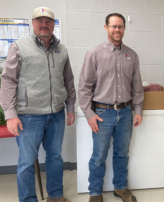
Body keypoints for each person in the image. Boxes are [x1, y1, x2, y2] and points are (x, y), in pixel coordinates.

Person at [0, 7, 76, 202]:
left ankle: (56, 196)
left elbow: (68, 81)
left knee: (55, 158)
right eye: (39, 20)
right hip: (28, 116)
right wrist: (10, 113)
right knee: (26, 162)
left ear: (53, 24)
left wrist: (69, 107)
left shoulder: (62, 49)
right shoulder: (19, 46)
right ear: (32, 23)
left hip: (57, 114)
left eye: (48, 21)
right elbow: (8, 81)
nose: (44, 25)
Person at [78, 13, 144, 202]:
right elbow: (84, 87)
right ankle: (95, 192)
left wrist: (137, 110)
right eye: (113, 26)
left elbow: (137, 86)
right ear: (106, 27)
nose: (117, 30)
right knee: (99, 155)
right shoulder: (94, 53)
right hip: (101, 113)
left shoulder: (132, 55)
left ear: (124, 29)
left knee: (122, 153)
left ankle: (121, 188)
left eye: (120, 26)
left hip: (125, 112)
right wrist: (89, 114)